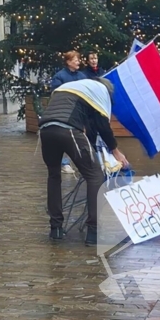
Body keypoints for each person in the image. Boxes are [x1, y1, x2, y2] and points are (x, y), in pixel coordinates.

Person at [39, 78, 129, 245]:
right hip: (68, 129)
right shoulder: (100, 92)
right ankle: (93, 231)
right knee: (95, 176)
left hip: (45, 129)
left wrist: (91, 151)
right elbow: (102, 126)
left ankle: (56, 228)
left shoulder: (76, 88)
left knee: (54, 176)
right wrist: (115, 152)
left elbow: (90, 126)